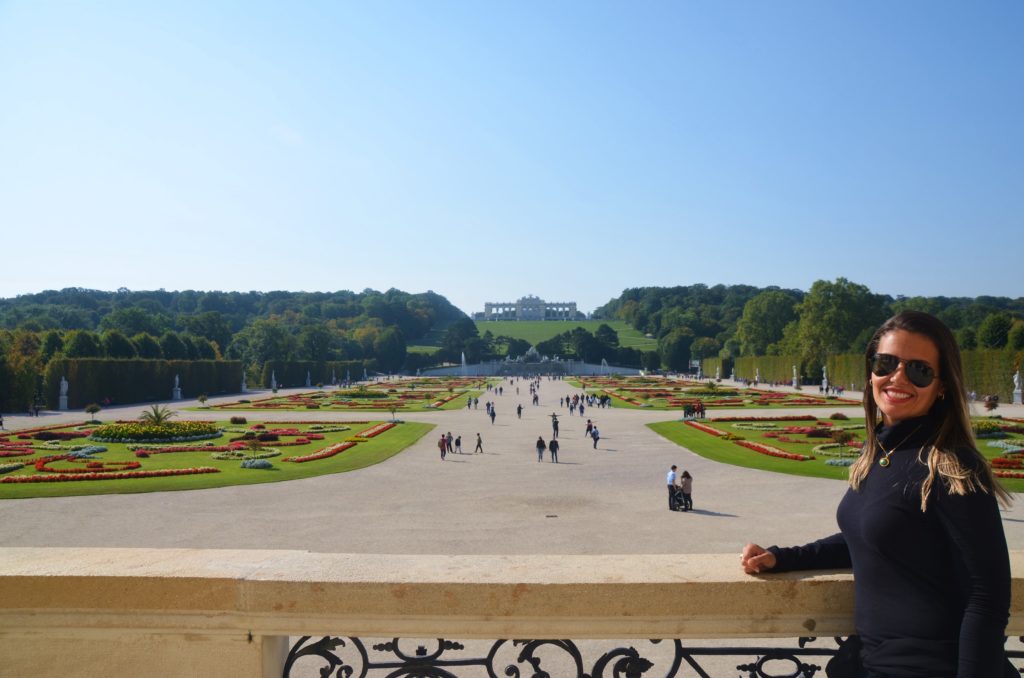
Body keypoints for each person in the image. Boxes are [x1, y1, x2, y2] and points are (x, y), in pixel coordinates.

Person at [740, 311, 1013, 677]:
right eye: (886, 363)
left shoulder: (953, 468)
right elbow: (868, 536)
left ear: (942, 385)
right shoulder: (882, 454)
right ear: (871, 372)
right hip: (874, 662)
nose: (897, 377)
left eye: (919, 370)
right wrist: (782, 557)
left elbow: (988, 597)